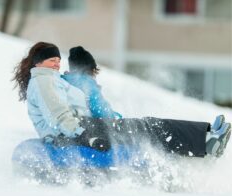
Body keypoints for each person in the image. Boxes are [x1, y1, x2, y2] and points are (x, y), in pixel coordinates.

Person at [12, 41, 231, 158]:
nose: (57, 64)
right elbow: (58, 115)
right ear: (39, 63)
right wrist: (86, 135)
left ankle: (205, 136)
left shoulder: (51, 79)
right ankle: (205, 140)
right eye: (52, 60)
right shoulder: (42, 81)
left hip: (81, 128)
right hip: (79, 131)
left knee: (147, 126)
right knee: (149, 126)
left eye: (59, 60)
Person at [61, 46, 122, 119]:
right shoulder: (87, 84)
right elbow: (102, 111)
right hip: (84, 127)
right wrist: (117, 117)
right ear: (92, 70)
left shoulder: (63, 80)